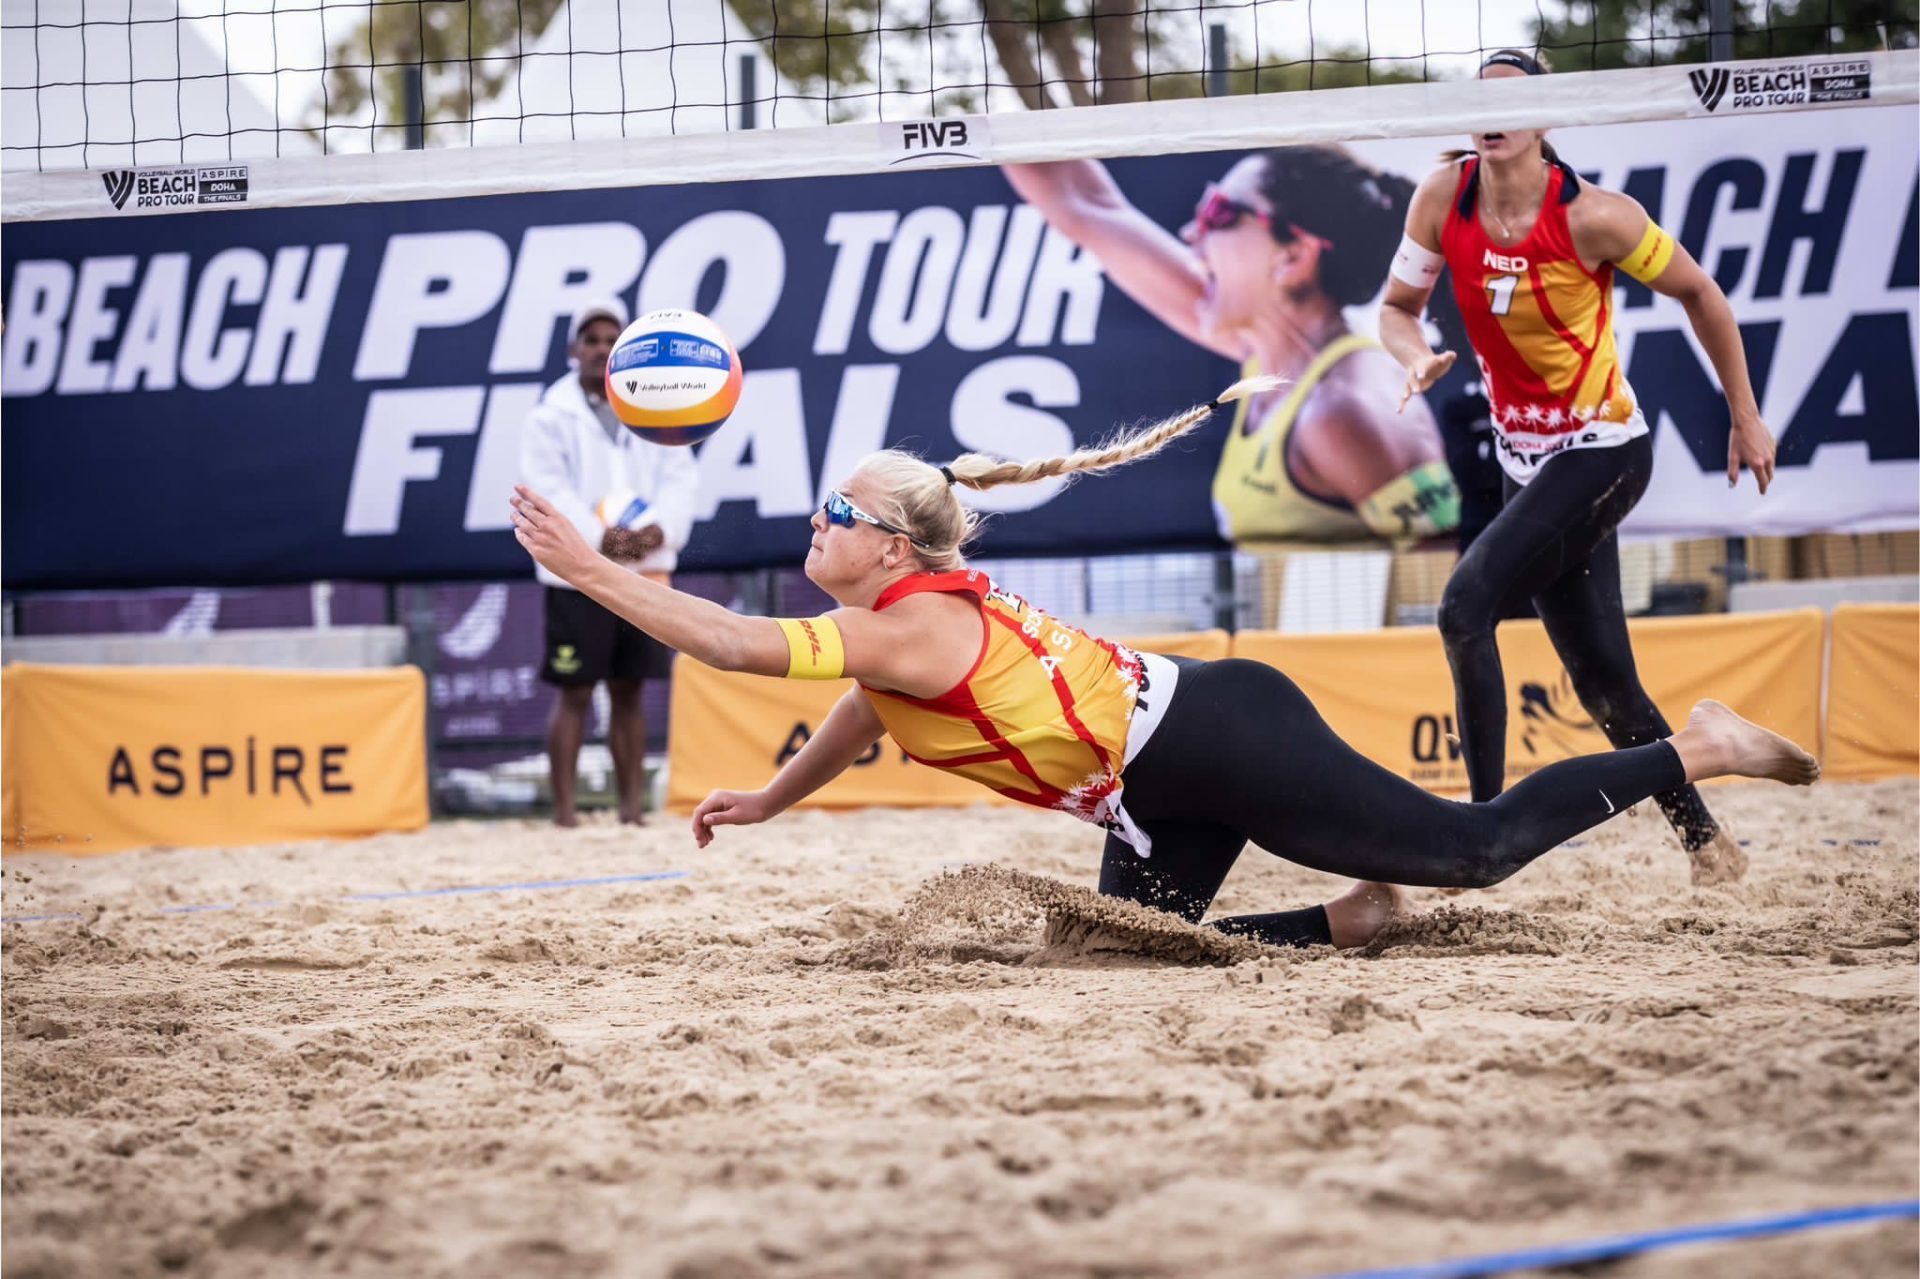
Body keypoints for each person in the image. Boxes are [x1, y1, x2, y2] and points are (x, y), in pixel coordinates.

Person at [509, 379, 1818, 949]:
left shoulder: (908, 614)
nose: (813, 524)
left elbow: (735, 642)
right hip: (1156, 774)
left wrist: (589, 565)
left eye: (831, 513)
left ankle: (1693, 745)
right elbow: (865, 708)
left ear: (891, 543)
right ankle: (1344, 920)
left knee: (1472, 850)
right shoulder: (900, 632)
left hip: (1214, 734)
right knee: (1124, 946)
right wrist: (769, 799)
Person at [1378, 49, 1780, 886]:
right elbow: (1395, 309)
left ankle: (1475, 836)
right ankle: (1711, 847)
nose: (1492, 116)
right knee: (1603, 685)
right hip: (1530, 465)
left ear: (1549, 118)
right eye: (1478, 101)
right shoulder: (1440, 196)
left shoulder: (1598, 218)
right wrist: (1412, 356)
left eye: (1514, 102)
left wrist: (1744, 414)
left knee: (1463, 606)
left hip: (1605, 452)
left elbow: (1702, 294)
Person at [1006, 146, 1460, 545]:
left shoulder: (1345, 410)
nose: (1190, 234)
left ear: (1293, 257)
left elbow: (1450, 581)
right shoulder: (1269, 354)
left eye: (1219, 214)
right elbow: (1085, 206)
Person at [519, 297, 700, 827]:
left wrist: (662, 528)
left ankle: (630, 812)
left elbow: (680, 477)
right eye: (592, 339)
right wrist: (603, 539)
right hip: (576, 576)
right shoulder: (548, 417)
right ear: (574, 350)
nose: (601, 349)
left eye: (611, 340)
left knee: (630, 690)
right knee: (575, 690)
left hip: (642, 573)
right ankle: (566, 815)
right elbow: (548, 488)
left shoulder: (655, 405)